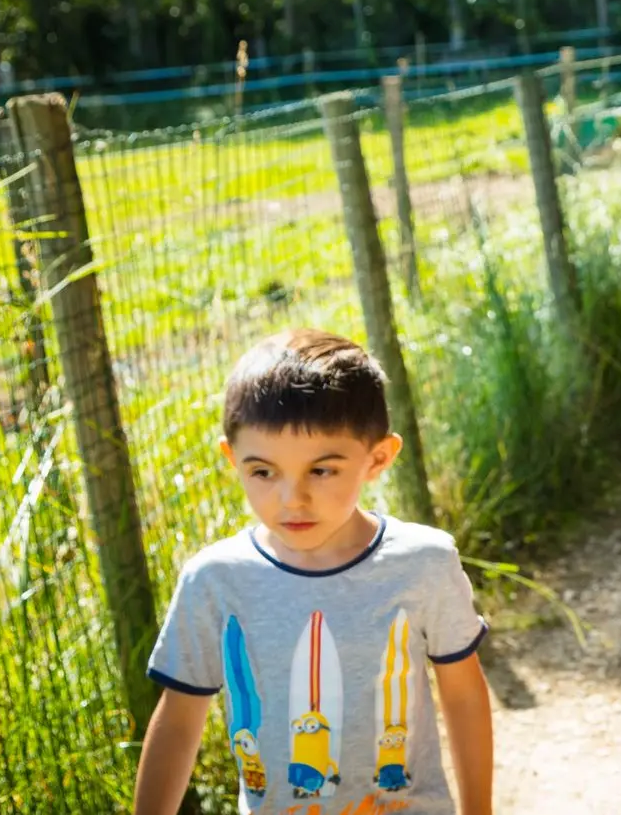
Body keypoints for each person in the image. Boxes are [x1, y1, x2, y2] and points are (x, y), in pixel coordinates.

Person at [132, 329, 494, 815]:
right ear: (232, 459)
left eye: (321, 470)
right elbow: (178, 722)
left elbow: (464, 695)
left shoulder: (424, 563)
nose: (291, 499)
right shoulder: (214, 581)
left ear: (378, 458)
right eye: (263, 472)